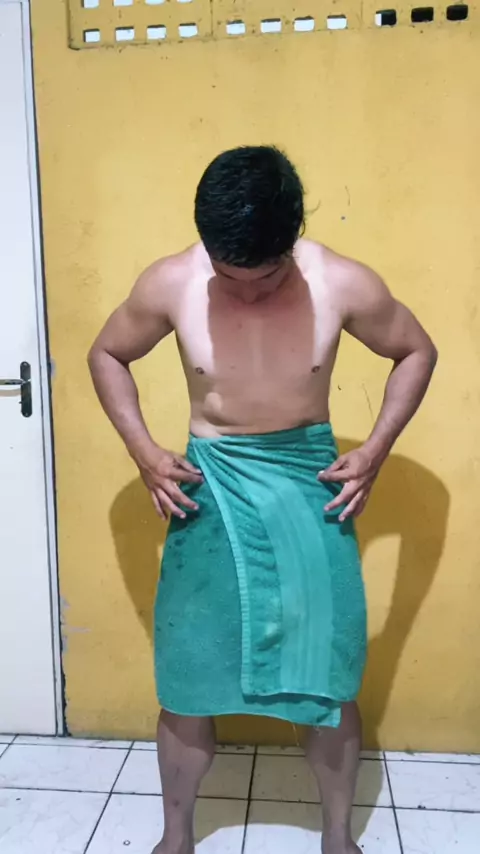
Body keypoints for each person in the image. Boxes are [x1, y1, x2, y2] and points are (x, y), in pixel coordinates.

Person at [88, 146, 437, 854]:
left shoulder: (341, 282)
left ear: (292, 240)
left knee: (326, 679)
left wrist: (374, 449)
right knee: (187, 675)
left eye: (267, 279)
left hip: (308, 493)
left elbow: (416, 351)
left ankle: (338, 836)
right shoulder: (172, 281)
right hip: (209, 493)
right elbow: (107, 354)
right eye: (230, 278)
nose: (247, 295)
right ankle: (176, 836)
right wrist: (144, 451)